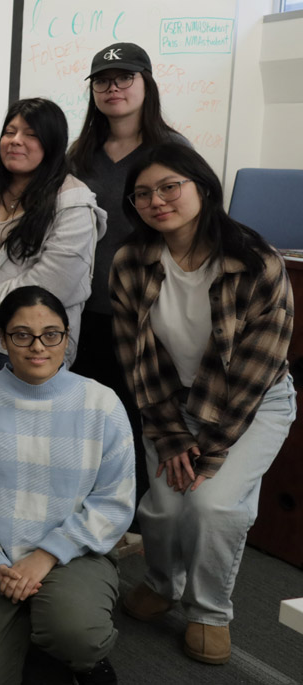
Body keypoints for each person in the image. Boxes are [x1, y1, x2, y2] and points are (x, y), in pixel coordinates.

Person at [111, 143, 295, 665]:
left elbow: (256, 373)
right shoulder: (132, 261)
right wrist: (171, 437)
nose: (157, 200)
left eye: (171, 186)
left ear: (203, 188)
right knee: (165, 507)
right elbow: (138, 361)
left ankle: (210, 612)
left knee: (214, 507)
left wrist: (208, 453)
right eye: (143, 193)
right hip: (174, 404)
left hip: (252, 407)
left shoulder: (256, 261)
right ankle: (162, 584)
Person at [0, 286, 134, 685]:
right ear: (4, 339)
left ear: (67, 336)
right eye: (22, 334)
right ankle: (34, 631)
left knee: (76, 635)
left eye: (52, 334)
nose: (37, 346)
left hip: (74, 554)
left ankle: (75, 653)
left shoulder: (101, 404)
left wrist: (46, 555)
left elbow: (114, 503)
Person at [67, 42, 187, 503]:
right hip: (84, 308)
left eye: (124, 78)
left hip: (146, 311)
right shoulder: (80, 153)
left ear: (146, 83)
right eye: (102, 80)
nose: (112, 88)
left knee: (137, 417)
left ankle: (135, 517)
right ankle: (90, 506)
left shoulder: (172, 150)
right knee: (87, 416)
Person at [0, 97, 105, 403]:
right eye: (10, 132)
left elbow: (54, 281)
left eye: (31, 135)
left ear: (52, 143)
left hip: (30, 346)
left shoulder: (73, 200)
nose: (16, 141)